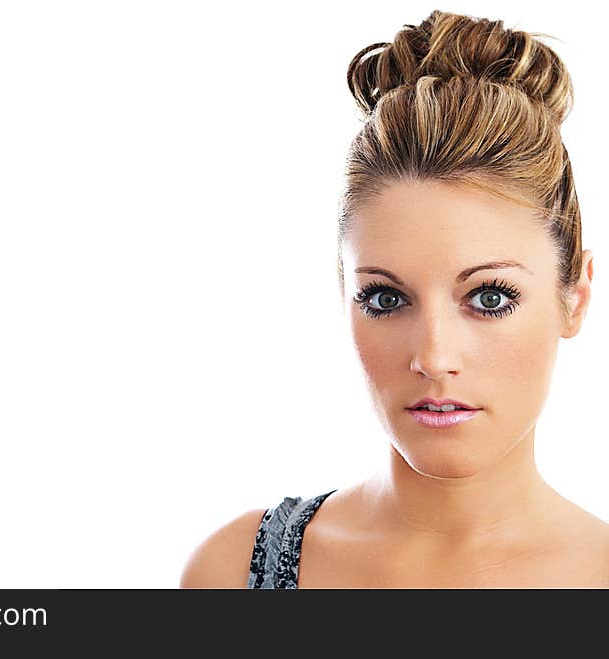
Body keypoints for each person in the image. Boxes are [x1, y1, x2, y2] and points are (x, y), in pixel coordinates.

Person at [180, 9, 609, 588]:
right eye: (385, 299)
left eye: (488, 298)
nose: (432, 358)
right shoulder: (231, 574)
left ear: (575, 297)